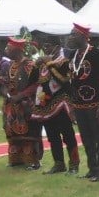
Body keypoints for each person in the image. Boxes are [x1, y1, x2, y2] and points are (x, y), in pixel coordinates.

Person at [66, 23, 99, 182]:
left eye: (73, 34)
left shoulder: (96, 54)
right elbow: (72, 82)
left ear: (83, 37)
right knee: (86, 139)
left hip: (94, 104)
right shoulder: (73, 55)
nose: (70, 37)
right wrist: (71, 106)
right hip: (78, 105)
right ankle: (92, 168)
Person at [31, 45, 80, 175]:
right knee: (52, 136)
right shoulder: (42, 63)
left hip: (61, 103)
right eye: (45, 46)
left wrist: (49, 64)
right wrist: (36, 65)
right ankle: (59, 163)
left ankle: (74, 164)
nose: (46, 49)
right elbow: (33, 81)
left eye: (49, 46)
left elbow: (64, 80)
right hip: (45, 105)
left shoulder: (64, 62)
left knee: (67, 134)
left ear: (57, 47)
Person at [0, 38, 42, 170]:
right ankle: (16, 159)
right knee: (12, 132)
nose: (6, 50)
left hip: (26, 104)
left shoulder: (29, 65)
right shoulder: (10, 65)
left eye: (8, 47)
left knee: (29, 133)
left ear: (17, 49)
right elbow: (5, 83)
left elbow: (37, 84)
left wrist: (21, 96)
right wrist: (6, 92)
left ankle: (33, 161)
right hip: (11, 105)